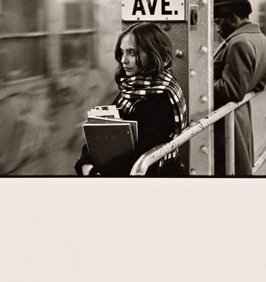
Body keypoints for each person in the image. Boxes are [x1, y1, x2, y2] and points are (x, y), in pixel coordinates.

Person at [75, 22, 187, 176]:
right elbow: (102, 130)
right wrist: (85, 161)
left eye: (132, 53)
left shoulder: (163, 97)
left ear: (153, 53)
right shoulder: (132, 88)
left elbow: (144, 152)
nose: (123, 60)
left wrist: (96, 172)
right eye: (122, 52)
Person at [213, 0, 266, 175]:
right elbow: (260, 84)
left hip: (228, 120)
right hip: (241, 115)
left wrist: (199, 86)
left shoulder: (239, 42)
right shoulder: (260, 38)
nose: (216, 28)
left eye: (217, 21)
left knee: (229, 168)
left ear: (232, 18)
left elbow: (232, 91)